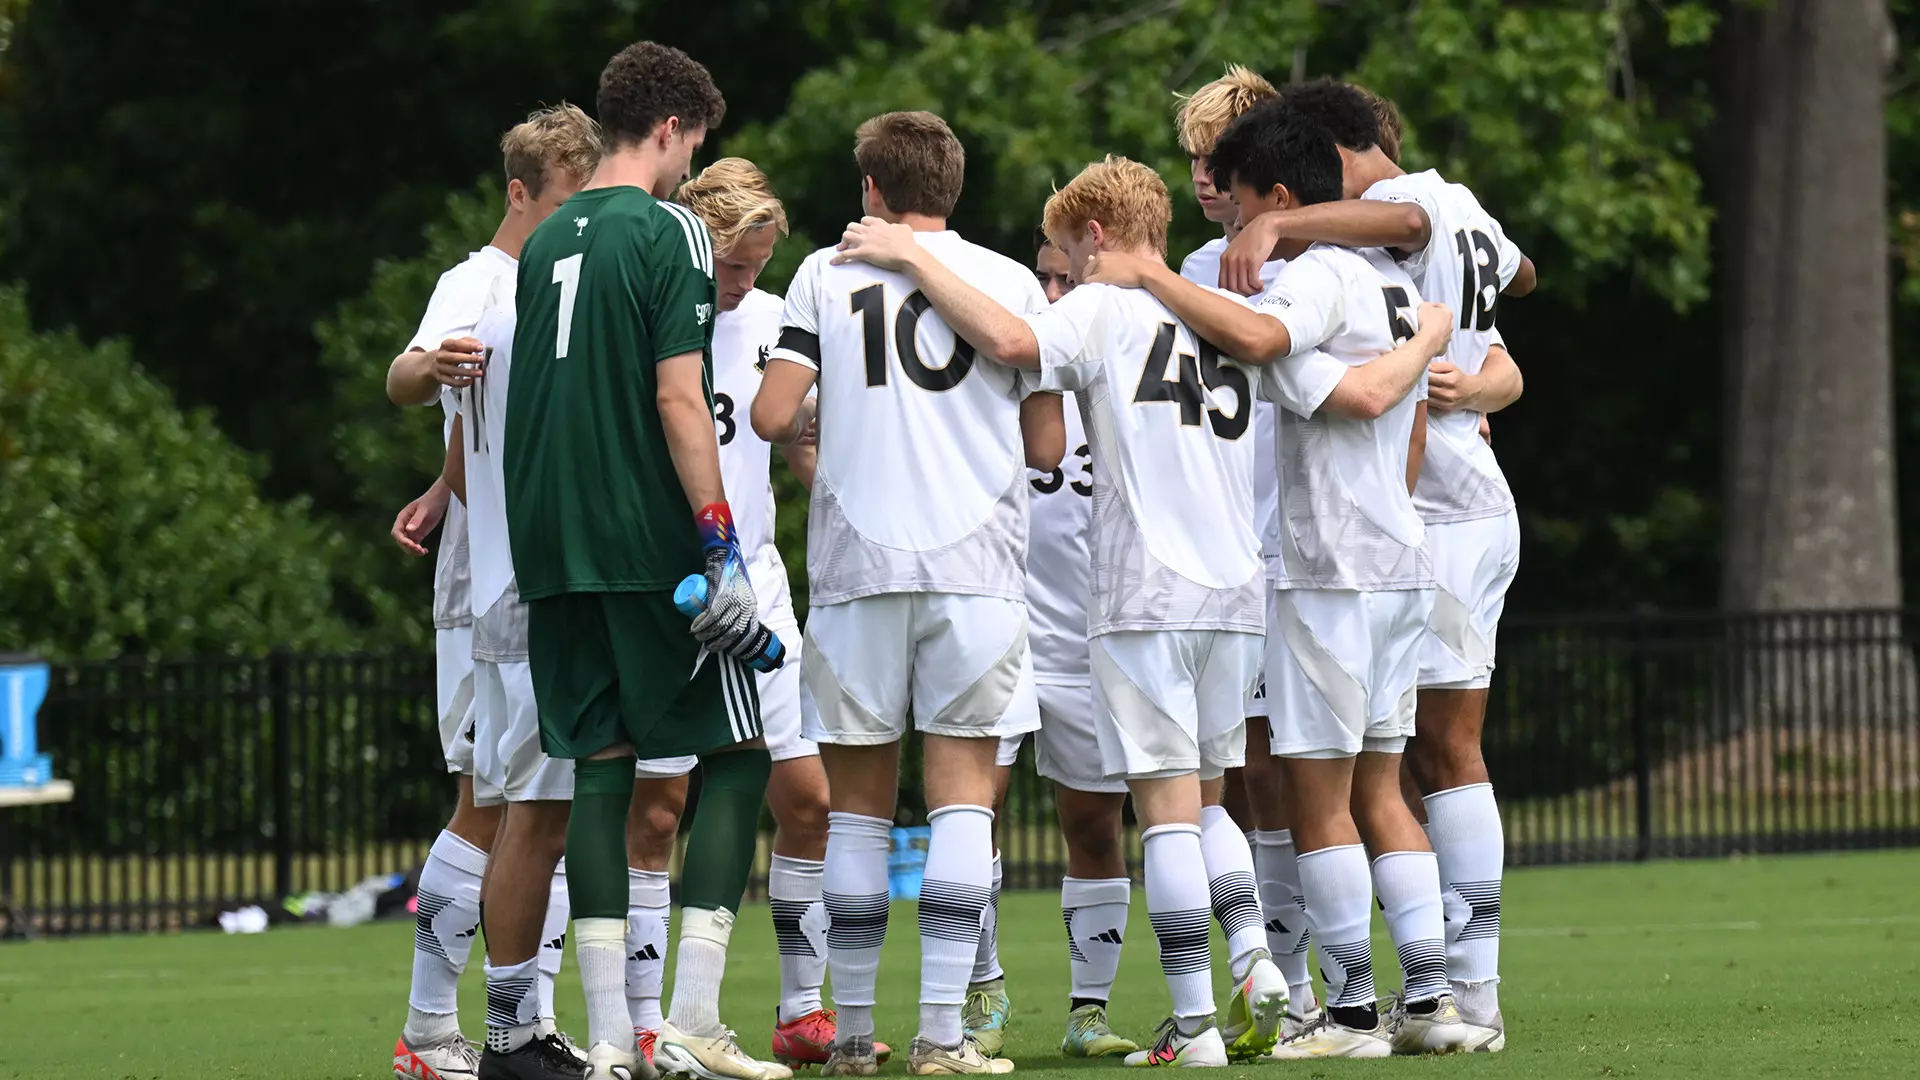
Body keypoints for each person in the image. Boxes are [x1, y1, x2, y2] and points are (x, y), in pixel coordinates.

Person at [1082, 101, 1465, 1058]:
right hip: (1399, 564)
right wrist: (1427, 341)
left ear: (1282, 199)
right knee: (1384, 791)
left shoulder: (1322, 279)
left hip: (1327, 569)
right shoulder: (1386, 280)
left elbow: (1267, 347)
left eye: (1248, 204)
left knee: (1319, 801)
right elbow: (1394, 391)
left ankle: (1343, 1017)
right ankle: (1428, 1005)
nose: (1244, 229)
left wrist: (1152, 275)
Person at [750, 110, 1062, 1077]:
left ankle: (849, 1037)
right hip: (976, 571)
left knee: (856, 814)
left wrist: (836, 402)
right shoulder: (1012, 280)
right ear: (953, 187)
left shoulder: (821, 274)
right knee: (965, 804)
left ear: (874, 189)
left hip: (858, 570)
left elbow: (768, 417)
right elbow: (1048, 448)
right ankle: (940, 1036)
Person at [1228, 79, 1530, 1051]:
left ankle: (1444, 994)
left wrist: (1278, 228)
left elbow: (1402, 213)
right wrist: (1475, 367)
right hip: (1461, 501)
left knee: (1405, 767)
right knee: (1416, 764)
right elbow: (1521, 282)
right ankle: (1450, 992)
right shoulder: (1462, 223)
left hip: (1419, 513)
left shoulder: (1412, 217)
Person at [503, 42, 777, 1080]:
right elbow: (676, 397)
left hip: (552, 543)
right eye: (694, 142)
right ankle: (692, 1023)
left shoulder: (544, 238)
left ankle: (615, 1041)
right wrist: (718, 539)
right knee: (742, 755)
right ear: (672, 129)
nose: (688, 161)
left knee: (600, 772)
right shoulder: (670, 230)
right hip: (644, 540)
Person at [615, 157, 874, 1078]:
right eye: (732, 266)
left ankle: (800, 1010)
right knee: (659, 806)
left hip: (755, 581)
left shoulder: (773, 322)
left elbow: (802, 439)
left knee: (805, 799)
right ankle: (651, 1022)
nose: (743, 283)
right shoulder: (653, 315)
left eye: (758, 265)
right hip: (668, 587)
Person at [385, 104, 596, 1080]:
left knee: (522, 803)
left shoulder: (560, 274)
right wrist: (432, 364)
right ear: (522, 192)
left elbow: (482, 442)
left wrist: (441, 478)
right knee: (498, 805)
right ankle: (439, 1027)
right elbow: (405, 375)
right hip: (491, 584)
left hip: (518, 565)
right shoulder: (481, 281)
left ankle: (502, 1023)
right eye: (563, 194)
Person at [1171, 63, 1324, 1046]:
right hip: (1222, 547)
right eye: (1190, 159)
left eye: (1216, 159)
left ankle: (1337, 979)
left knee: (1318, 766)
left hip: (1307, 538)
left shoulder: (1315, 265)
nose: (1201, 177)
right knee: (1243, 766)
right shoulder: (1186, 268)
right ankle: (1276, 979)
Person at [977, 229, 1139, 1061]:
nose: (1051, 287)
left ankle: (1088, 1012)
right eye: (1042, 274)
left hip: (1085, 631)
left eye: (1064, 273)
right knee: (975, 811)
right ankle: (981, 989)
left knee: (1094, 823)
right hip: (1000, 618)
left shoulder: (1119, 363)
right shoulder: (999, 361)